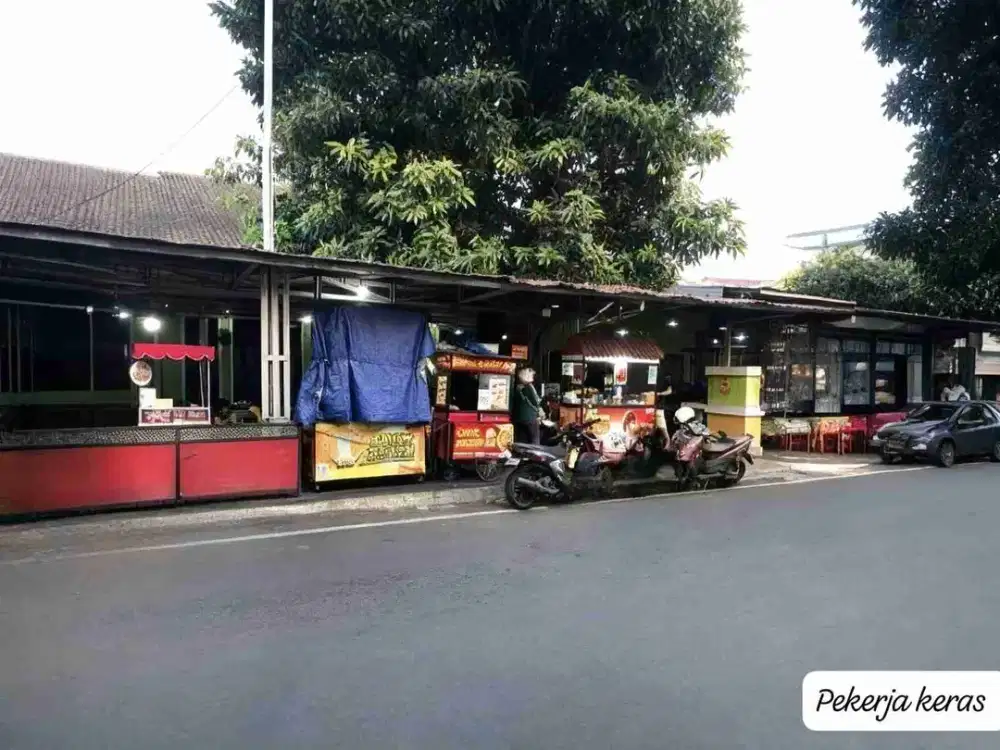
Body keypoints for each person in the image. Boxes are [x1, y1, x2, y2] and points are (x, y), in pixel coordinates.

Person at [513, 367, 543, 444]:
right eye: (531, 374)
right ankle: (535, 455)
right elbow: (535, 401)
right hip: (530, 417)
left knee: (522, 439)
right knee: (534, 439)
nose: (533, 375)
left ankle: (522, 454)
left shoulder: (517, 387)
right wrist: (539, 412)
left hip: (519, 417)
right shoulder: (529, 386)